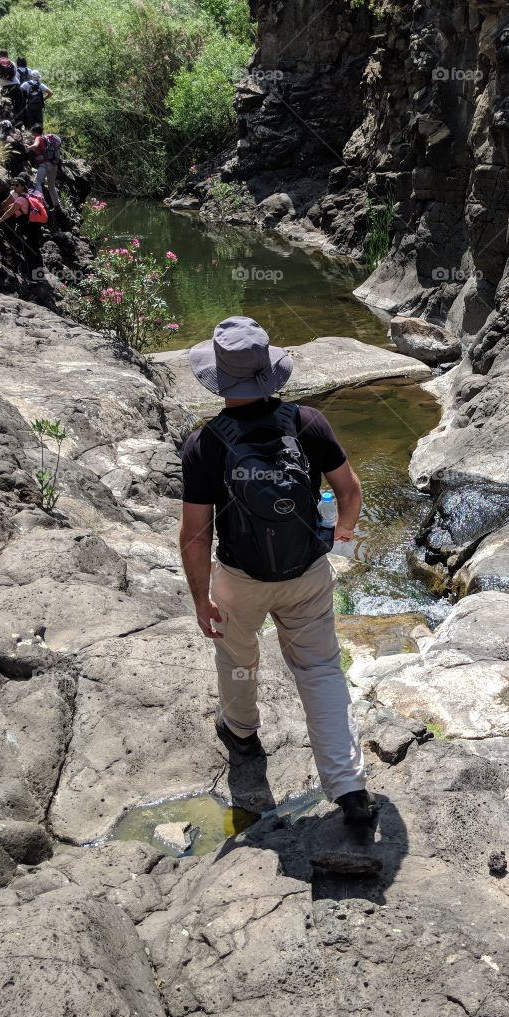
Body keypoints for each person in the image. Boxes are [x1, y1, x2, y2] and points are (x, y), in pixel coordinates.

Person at [178, 316, 377, 838]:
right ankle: (349, 786)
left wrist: (201, 600)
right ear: (269, 373)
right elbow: (350, 493)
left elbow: (194, 535)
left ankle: (242, 731)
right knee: (320, 672)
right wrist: (341, 543)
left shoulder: (205, 444)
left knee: (238, 654)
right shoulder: (307, 423)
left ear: (220, 378)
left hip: (240, 578)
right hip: (307, 571)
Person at [0, 176, 48, 277]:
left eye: (17, 185)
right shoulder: (27, 196)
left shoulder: (20, 199)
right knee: (35, 249)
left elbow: (10, 212)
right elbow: (11, 206)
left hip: (28, 228)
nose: (14, 187)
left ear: (23, 187)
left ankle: (34, 278)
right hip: (35, 226)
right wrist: (1, 209)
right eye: (13, 184)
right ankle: (40, 275)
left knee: (29, 251)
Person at [30, 126, 62, 210]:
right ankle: (57, 206)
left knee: (38, 182)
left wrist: (27, 148)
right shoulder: (47, 140)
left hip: (44, 165)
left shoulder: (38, 137)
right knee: (51, 186)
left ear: (35, 132)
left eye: (32, 133)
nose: (32, 135)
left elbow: (35, 146)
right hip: (54, 165)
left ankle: (40, 202)